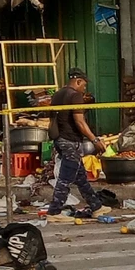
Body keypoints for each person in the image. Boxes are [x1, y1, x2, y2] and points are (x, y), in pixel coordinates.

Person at [48, 68, 110, 219]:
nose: (84, 88)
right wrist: (94, 140)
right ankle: (54, 211)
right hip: (70, 141)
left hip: (59, 139)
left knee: (80, 177)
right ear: (78, 81)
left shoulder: (57, 94)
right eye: (84, 84)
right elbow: (80, 122)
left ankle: (96, 206)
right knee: (66, 178)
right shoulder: (75, 96)